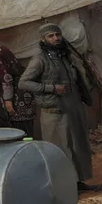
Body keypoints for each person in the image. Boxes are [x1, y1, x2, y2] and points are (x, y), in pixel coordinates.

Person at [18, 24, 95, 190]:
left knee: (77, 146)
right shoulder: (39, 59)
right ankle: (66, 187)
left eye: (57, 34)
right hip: (55, 112)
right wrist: (51, 88)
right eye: (51, 36)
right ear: (43, 39)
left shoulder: (65, 55)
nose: (55, 38)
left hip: (73, 109)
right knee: (62, 148)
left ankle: (78, 182)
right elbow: (24, 83)